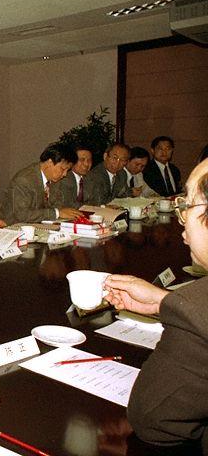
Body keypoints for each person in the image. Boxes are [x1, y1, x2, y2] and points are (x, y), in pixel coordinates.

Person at [103, 157, 208, 452]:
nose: (181, 220)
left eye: (187, 205)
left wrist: (182, 308)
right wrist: (164, 301)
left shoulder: (194, 308)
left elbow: (151, 418)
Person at [0, 142, 83, 224]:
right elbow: (22, 215)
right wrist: (57, 213)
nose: (65, 174)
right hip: (12, 225)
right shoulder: (24, 180)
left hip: (39, 225)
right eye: (63, 169)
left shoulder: (54, 179)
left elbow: (57, 204)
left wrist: (64, 211)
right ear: (49, 162)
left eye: (67, 170)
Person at [51, 145, 93, 209]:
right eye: (82, 160)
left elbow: (95, 200)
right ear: (72, 161)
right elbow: (67, 204)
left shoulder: (91, 177)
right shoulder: (63, 177)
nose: (86, 164)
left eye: (89, 160)